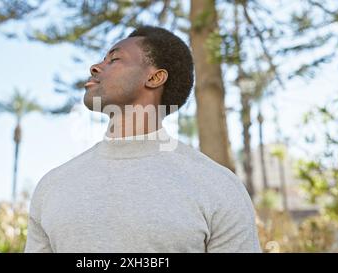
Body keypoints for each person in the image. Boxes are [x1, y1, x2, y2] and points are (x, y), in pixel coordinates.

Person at [24, 26, 261, 253]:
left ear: (155, 77)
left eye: (114, 59)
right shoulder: (52, 187)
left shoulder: (218, 187)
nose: (95, 67)